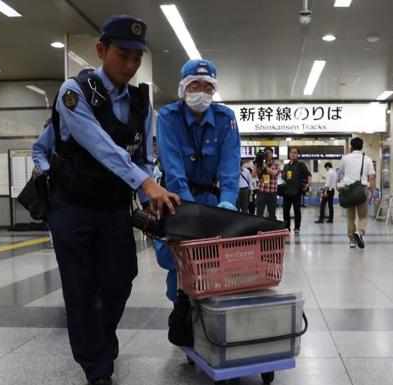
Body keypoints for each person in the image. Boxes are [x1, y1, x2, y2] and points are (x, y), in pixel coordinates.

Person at [44, 15, 179, 385]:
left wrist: (144, 186)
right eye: (123, 55)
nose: (131, 65)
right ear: (101, 50)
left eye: (138, 57)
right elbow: (100, 146)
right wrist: (146, 183)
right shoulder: (75, 92)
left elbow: (142, 155)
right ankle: (96, 367)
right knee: (80, 288)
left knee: (121, 279)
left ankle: (101, 337)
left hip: (113, 208)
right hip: (71, 207)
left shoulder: (140, 101)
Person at [154, 58, 240, 302]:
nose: (201, 92)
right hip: (179, 201)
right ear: (183, 88)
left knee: (215, 266)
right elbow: (173, 169)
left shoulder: (226, 118)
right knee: (179, 268)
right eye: (194, 86)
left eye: (208, 86)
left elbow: (230, 165)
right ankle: (182, 324)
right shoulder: (168, 117)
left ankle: (212, 324)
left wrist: (228, 201)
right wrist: (192, 212)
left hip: (214, 204)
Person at [339, 137, 376, 249]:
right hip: (362, 190)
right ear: (362, 146)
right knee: (363, 216)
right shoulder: (368, 159)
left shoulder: (345, 158)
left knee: (350, 217)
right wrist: (373, 192)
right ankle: (359, 232)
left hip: (348, 189)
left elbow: (340, 173)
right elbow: (372, 177)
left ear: (351, 147)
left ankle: (351, 241)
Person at [280, 147, 311, 235]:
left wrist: (308, 184)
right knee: (285, 211)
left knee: (297, 210)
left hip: (296, 191)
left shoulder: (301, 164)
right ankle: (287, 228)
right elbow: (285, 177)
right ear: (289, 154)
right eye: (291, 152)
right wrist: (283, 175)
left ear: (297, 154)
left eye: (295, 153)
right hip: (287, 191)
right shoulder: (286, 165)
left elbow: (308, 174)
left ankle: (297, 228)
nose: (293, 154)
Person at [254, 147, 281, 218]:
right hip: (261, 192)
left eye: (269, 153)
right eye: (266, 153)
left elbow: (274, 173)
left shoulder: (276, 165)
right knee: (259, 213)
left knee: (272, 215)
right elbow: (253, 175)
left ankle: (271, 228)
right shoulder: (260, 165)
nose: (268, 154)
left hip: (272, 193)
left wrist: (263, 165)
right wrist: (256, 163)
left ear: (272, 154)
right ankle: (258, 228)